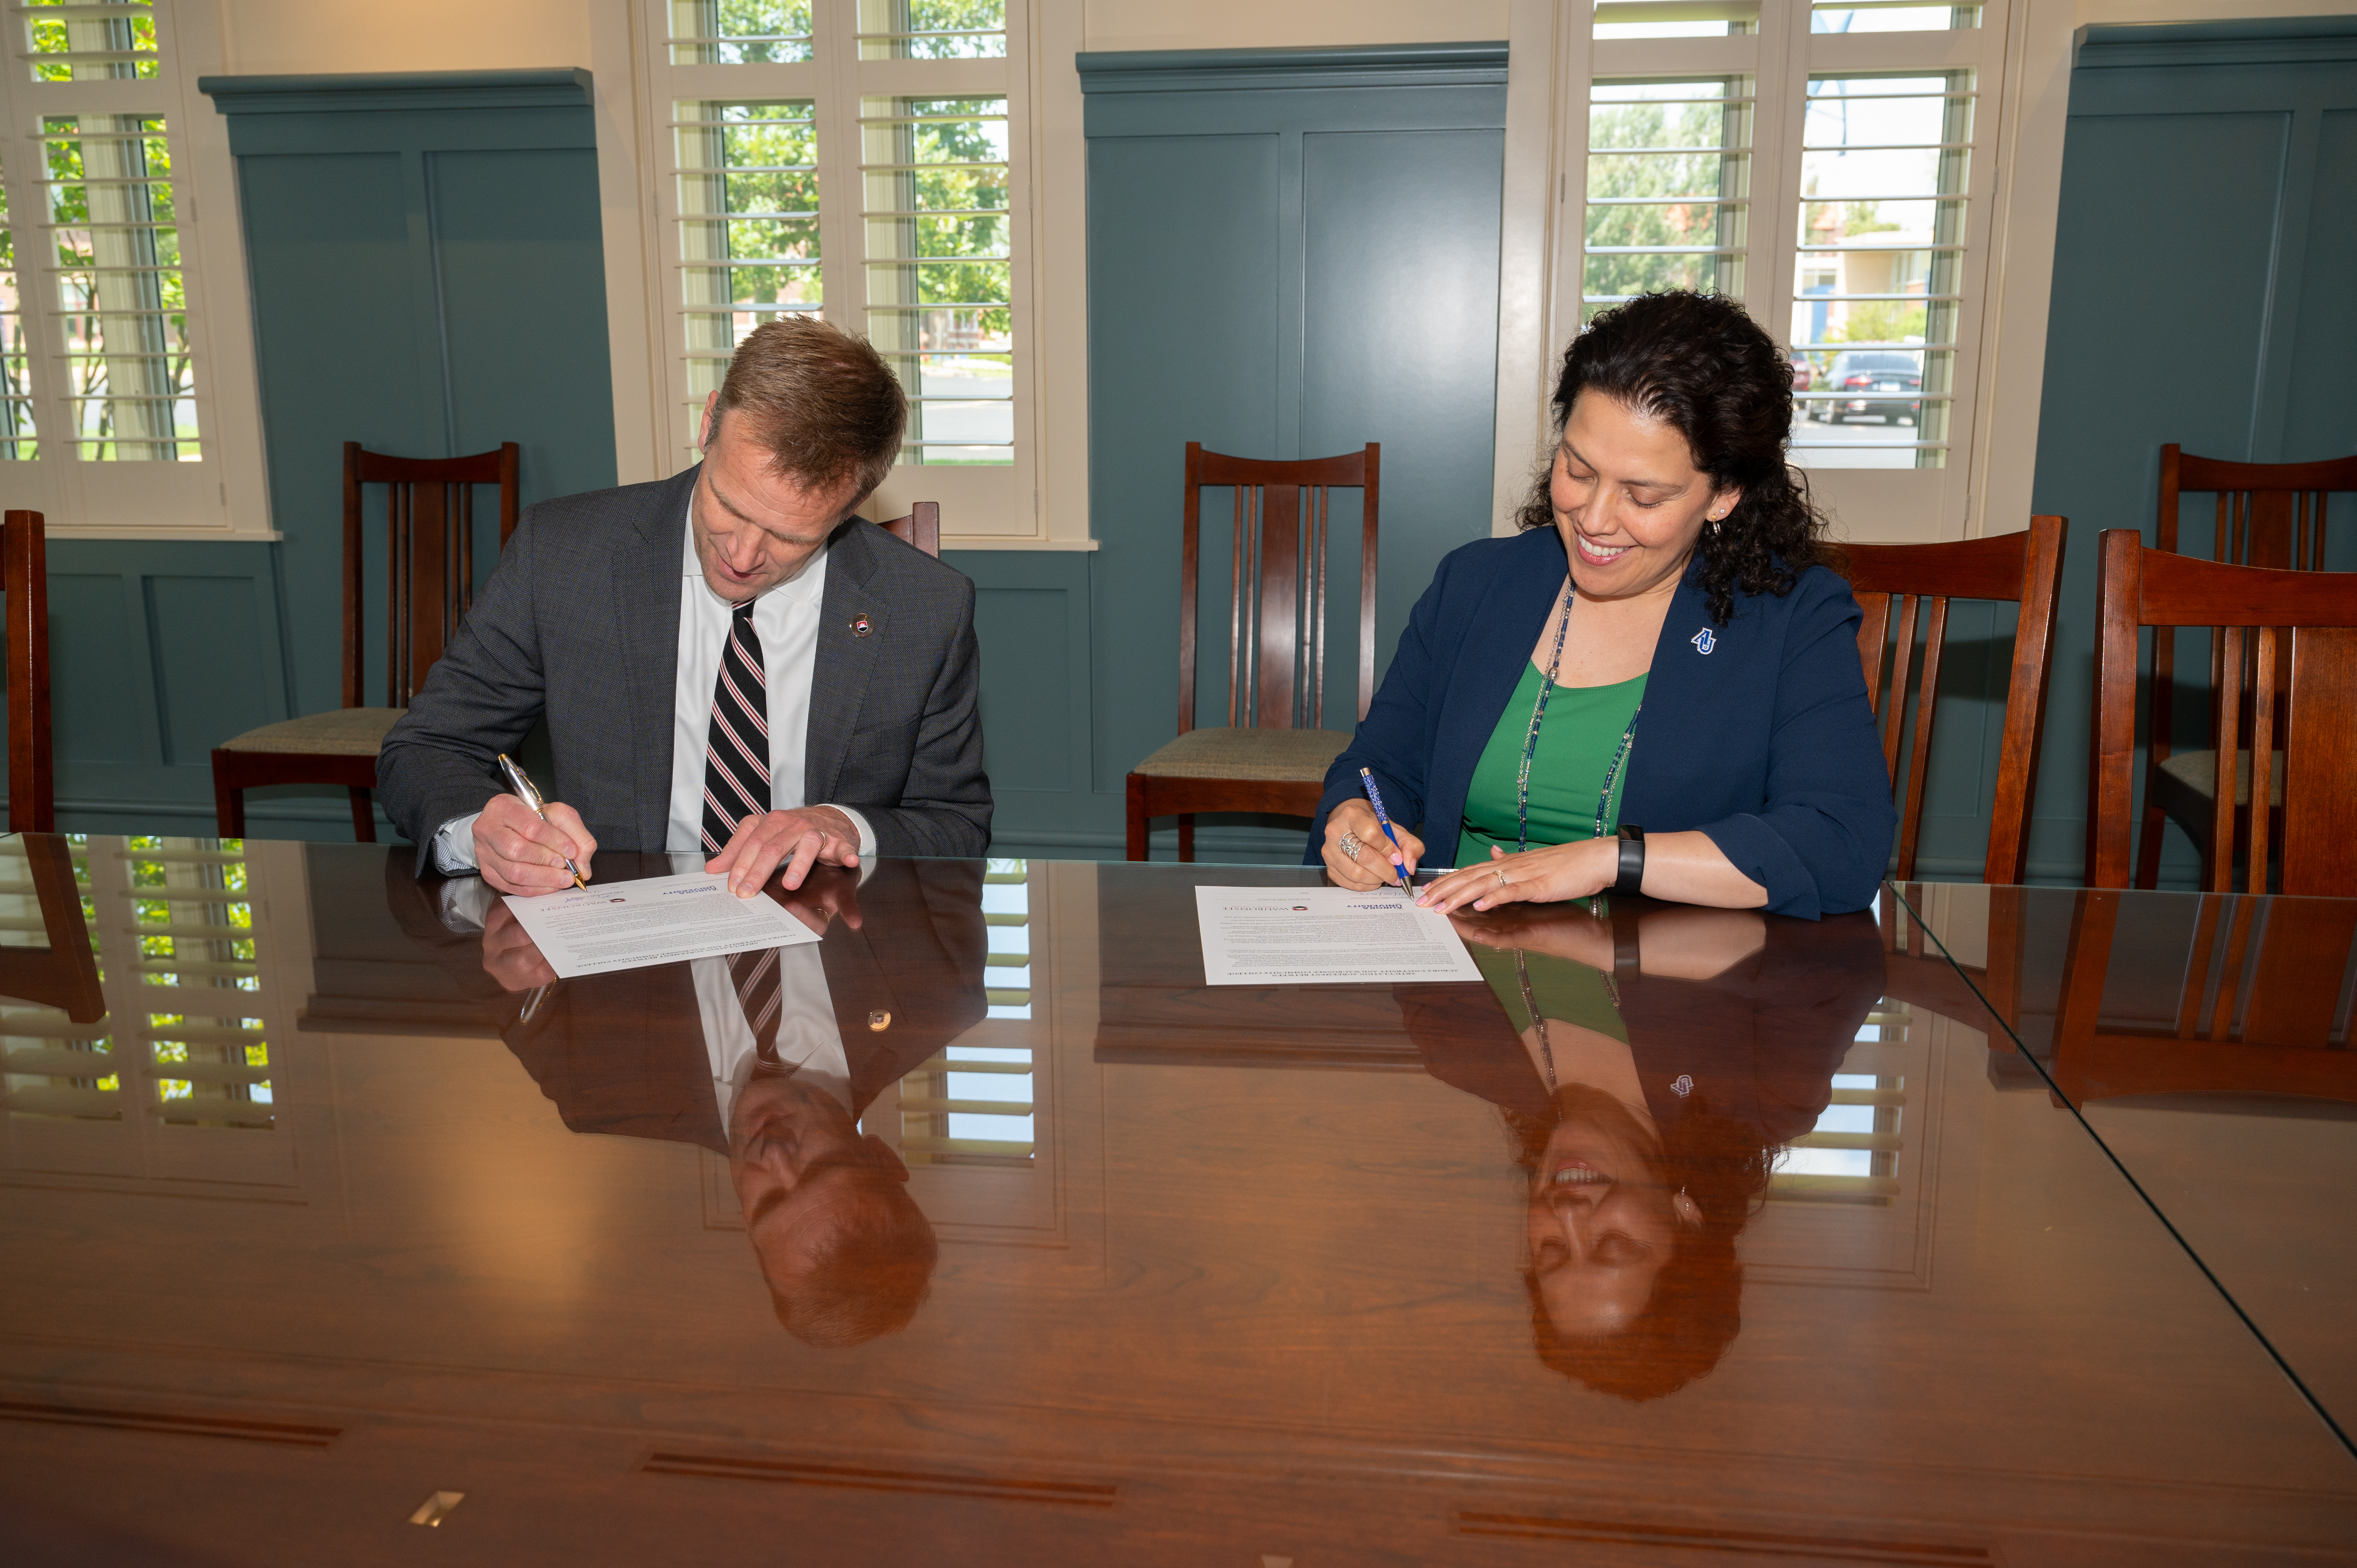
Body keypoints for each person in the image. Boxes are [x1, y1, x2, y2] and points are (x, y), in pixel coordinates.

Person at [1309, 291, 1893, 920]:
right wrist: (1354, 823)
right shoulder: (1475, 582)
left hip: (1670, 995)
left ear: (1723, 494)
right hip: (1462, 976)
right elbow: (1380, 765)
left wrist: (1611, 859)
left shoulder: (1791, 617)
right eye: (1578, 469)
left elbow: (1840, 843)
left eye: (1642, 496)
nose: (1592, 519)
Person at [379, 314, 991, 899]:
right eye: (730, 504)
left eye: (791, 537)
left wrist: (844, 826)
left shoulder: (925, 607)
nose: (745, 556)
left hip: (828, 948)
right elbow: (426, 750)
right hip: (615, 942)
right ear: (707, 423)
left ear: (853, 504)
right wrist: (480, 832)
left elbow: (957, 825)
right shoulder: (564, 556)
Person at [390, 853, 988, 1347]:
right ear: (882, 1159)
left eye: (768, 1202)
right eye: (820, 1168)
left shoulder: (597, 1086)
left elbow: (417, 905)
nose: (773, 1155)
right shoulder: (937, 995)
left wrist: (494, 924)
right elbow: (936, 819)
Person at [1400, 899, 1885, 1399]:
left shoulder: (1456, 1048)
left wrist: (1354, 832)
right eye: (1613, 1245)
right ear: (1687, 1217)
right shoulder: (1764, 1097)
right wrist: (1611, 947)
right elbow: (1845, 954)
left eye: (1550, 1251)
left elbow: (1391, 890)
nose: (1567, 1215)